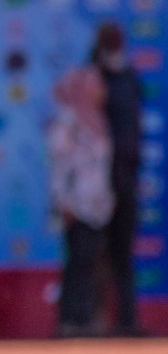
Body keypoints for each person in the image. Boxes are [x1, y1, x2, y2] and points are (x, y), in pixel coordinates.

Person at [49, 66, 114, 337]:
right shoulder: (68, 123)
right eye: (97, 87)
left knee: (92, 264)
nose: (102, 92)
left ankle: (87, 318)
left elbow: (101, 166)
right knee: (76, 264)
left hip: (98, 206)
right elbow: (59, 165)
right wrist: (63, 201)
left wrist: (108, 197)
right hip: (75, 206)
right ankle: (70, 321)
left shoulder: (97, 120)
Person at [92, 22, 145, 335]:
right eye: (109, 41)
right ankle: (95, 321)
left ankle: (128, 320)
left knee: (123, 253)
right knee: (95, 254)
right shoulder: (89, 79)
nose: (115, 46)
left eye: (118, 40)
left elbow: (134, 128)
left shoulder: (129, 78)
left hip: (125, 178)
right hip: (96, 183)